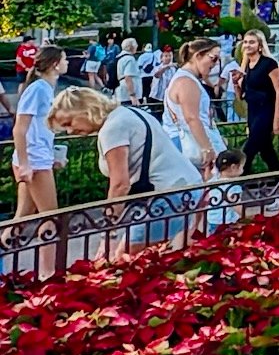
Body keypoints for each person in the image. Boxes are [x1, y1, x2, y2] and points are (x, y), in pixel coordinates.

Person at [49, 87, 203, 253]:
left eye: (69, 123)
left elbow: (120, 185)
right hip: (188, 188)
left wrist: (108, 234)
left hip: (168, 196)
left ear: (85, 109)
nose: (70, 131)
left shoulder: (112, 129)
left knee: (123, 262)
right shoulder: (128, 113)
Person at [11, 46, 67, 256]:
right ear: (54, 64)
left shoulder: (44, 88)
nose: (67, 63)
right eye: (64, 59)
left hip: (37, 156)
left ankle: (8, 271)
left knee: (23, 218)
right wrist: (25, 163)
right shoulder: (38, 89)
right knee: (51, 218)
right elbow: (20, 128)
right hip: (35, 159)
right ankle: (48, 274)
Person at [162, 39, 228, 176]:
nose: (215, 64)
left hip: (190, 141)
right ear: (198, 56)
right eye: (213, 58)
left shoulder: (187, 79)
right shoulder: (186, 82)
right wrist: (207, 148)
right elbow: (192, 118)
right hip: (190, 143)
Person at [235, 30, 279, 172]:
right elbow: (243, 95)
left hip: (266, 111)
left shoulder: (268, 64)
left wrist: (277, 118)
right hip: (253, 111)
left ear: (260, 45)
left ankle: (239, 179)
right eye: (245, 42)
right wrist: (236, 83)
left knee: (249, 150)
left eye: (252, 42)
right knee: (266, 150)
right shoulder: (246, 67)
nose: (247, 45)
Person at [204, 148, 247, 233]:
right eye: (242, 166)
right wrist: (246, 216)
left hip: (212, 219)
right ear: (234, 167)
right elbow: (236, 205)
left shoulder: (214, 180)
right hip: (226, 221)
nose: (243, 169)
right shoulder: (232, 186)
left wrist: (208, 167)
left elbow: (207, 178)